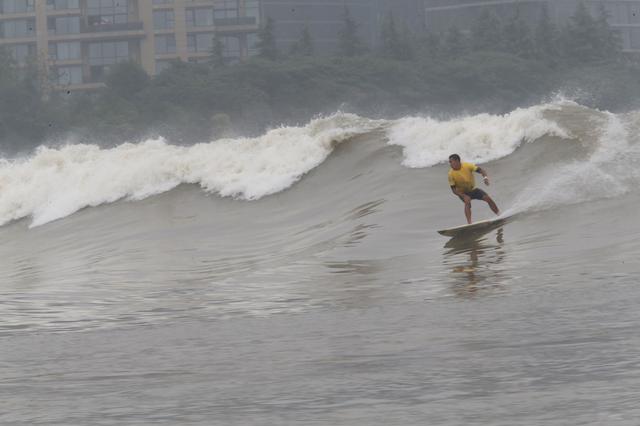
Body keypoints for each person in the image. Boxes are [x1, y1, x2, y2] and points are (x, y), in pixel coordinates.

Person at [447, 154, 499, 224]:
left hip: (473, 190)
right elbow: (453, 190)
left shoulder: (467, 166)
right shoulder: (451, 174)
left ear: (457, 161)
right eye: (449, 162)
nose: (450, 164)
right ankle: (469, 223)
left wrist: (485, 178)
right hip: (462, 193)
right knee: (467, 202)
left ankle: (499, 215)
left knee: (488, 198)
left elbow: (481, 170)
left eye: (451, 162)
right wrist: (463, 196)